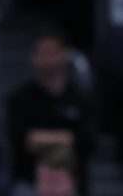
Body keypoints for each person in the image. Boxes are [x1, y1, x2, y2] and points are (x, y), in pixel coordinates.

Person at [5, 25, 96, 187]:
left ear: (66, 55)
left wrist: (41, 138)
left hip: (74, 183)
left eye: (53, 52)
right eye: (43, 52)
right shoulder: (19, 99)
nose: (49, 59)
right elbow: (21, 139)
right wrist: (65, 138)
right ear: (33, 57)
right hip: (29, 181)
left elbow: (86, 141)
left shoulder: (81, 99)